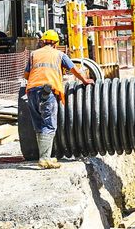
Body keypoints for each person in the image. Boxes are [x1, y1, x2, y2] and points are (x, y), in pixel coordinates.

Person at [24, 30, 94, 169]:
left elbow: (26, 75)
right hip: (47, 92)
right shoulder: (59, 55)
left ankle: (44, 157)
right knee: (49, 125)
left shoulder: (34, 54)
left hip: (31, 91)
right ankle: (44, 159)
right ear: (56, 43)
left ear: (43, 41)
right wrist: (85, 81)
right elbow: (74, 70)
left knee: (39, 125)